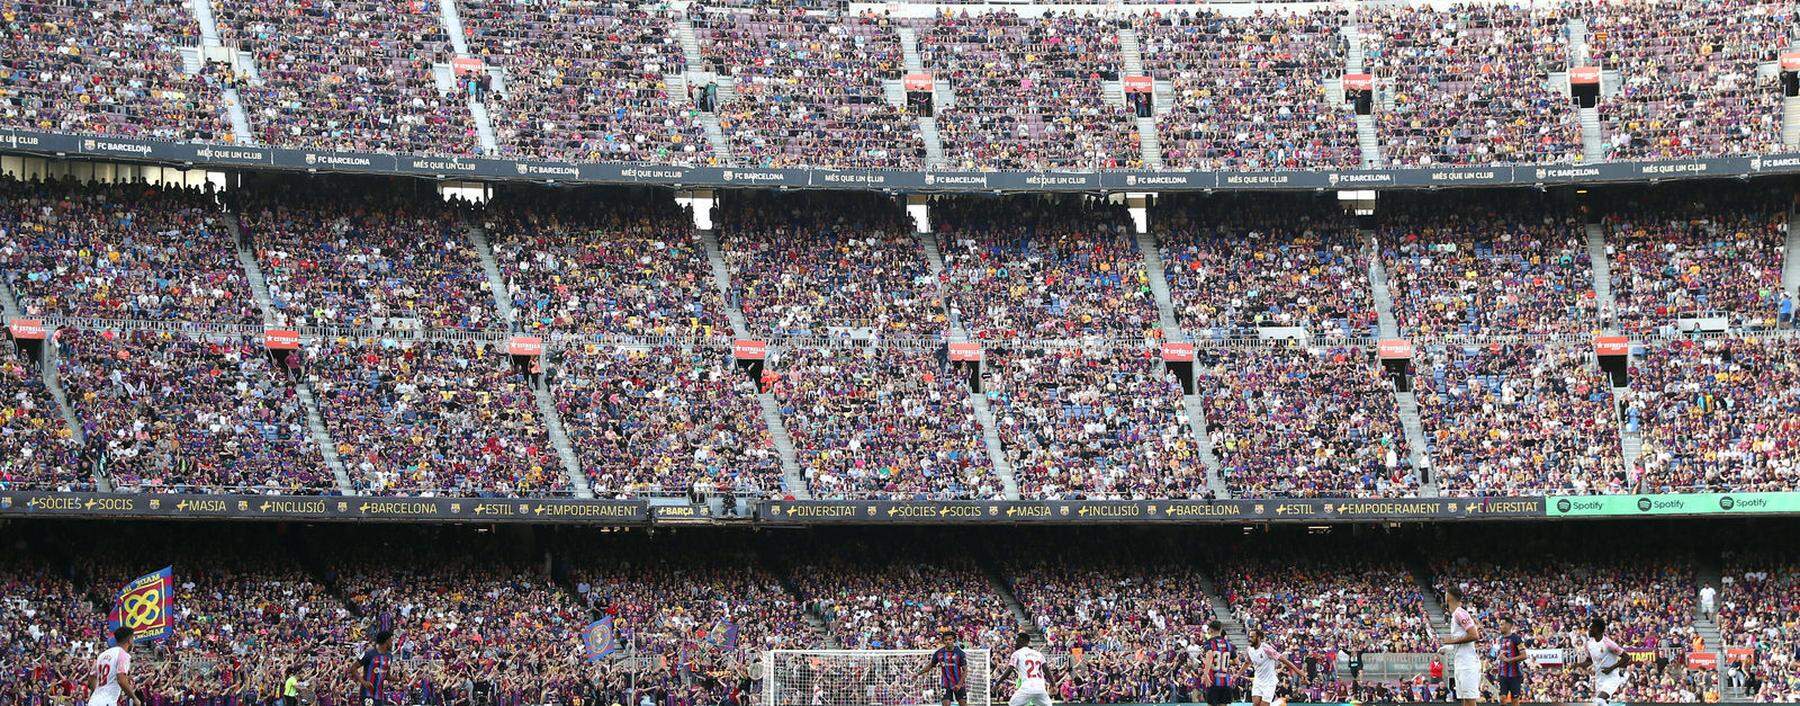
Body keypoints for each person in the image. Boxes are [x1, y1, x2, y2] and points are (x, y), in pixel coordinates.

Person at [1440, 586, 1482, 706]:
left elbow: (1474, 635)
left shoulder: (1460, 613)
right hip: (1460, 662)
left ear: (1449, 597)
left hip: (1468, 664)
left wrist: (1451, 641)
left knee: (1470, 700)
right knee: (1464, 700)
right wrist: (1446, 648)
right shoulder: (1455, 615)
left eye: (1446, 593)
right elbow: (1460, 642)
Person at [1576, 617, 1628, 706]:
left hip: (1611, 678)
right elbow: (1589, 660)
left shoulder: (1608, 643)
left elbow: (1626, 657)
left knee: (1599, 701)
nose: (1589, 629)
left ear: (1597, 629)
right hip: (1599, 679)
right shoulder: (1589, 644)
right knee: (1601, 703)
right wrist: (1577, 665)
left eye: (1591, 627)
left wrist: (1611, 668)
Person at [1246, 629, 1301, 706]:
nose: (1249, 639)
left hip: (1269, 682)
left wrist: (1299, 672)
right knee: (1255, 704)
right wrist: (1237, 674)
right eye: (1249, 637)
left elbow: (1284, 660)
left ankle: (1278, 703)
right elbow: (1247, 662)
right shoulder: (1249, 649)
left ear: (1258, 637)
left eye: (1252, 637)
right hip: (1258, 680)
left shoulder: (1266, 649)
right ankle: (1278, 703)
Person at [916, 627, 969, 706]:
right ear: (943, 641)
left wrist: (959, 684)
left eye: (950, 639)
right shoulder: (939, 653)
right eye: (946, 640)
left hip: (959, 683)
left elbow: (965, 670)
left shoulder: (960, 653)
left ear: (953, 640)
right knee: (945, 704)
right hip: (946, 684)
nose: (948, 641)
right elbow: (930, 666)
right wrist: (917, 674)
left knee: (963, 704)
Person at [999, 632, 1053, 706]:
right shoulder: (1038, 654)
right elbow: (1046, 669)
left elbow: (1010, 669)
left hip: (1027, 688)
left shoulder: (1017, 654)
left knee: (1012, 704)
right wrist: (1053, 684)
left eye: (1017, 641)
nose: (1015, 643)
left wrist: (997, 683)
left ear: (1022, 642)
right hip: (1040, 688)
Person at [87, 627, 136, 706]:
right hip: (108, 701)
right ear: (129, 640)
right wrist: (134, 698)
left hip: (93, 701)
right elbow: (121, 680)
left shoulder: (102, 654)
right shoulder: (123, 655)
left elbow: (91, 680)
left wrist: (97, 692)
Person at [349, 629, 398, 705]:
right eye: (391, 640)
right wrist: (363, 682)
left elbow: (387, 676)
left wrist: (397, 678)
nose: (392, 642)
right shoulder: (369, 653)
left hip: (379, 695)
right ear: (386, 641)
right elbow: (353, 668)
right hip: (367, 694)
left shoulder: (389, 656)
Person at [1201, 620, 1238, 706]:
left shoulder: (1209, 643)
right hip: (1225, 681)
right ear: (1221, 629)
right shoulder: (1228, 644)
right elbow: (1237, 661)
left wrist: (1205, 674)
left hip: (1213, 680)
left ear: (1210, 630)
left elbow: (1210, 657)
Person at [1494, 618, 1526, 704]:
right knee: (1502, 699)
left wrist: (1508, 660)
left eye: (1501, 624)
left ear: (1508, 625)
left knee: (1515, 700)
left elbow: (1524, 655)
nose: (1499, 626)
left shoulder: (1516, 638)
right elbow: (1503, 655)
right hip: (1502, 674)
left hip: (1515, 675)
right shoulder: (1501, 639)